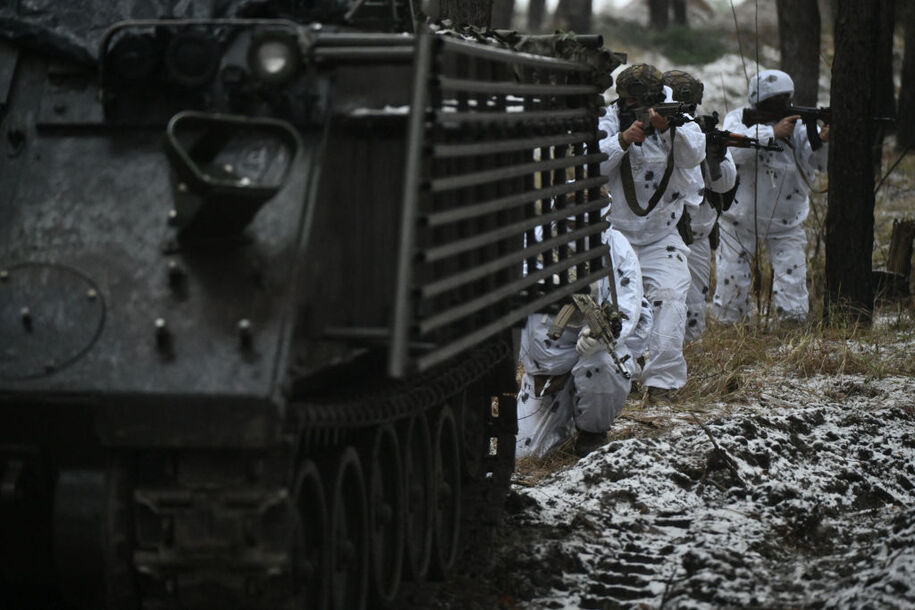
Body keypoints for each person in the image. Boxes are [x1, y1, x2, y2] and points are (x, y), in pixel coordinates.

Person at [598, 64, 706, 403]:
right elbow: (590, 163)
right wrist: (622, 140)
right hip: (617, 234)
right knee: (616, 309)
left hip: (662, 234)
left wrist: (668, 127)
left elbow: (694, 155)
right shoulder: (610, 119)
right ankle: (621, 375)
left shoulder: (678, 119)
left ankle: (662, 384)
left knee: (672, 300)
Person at [515, 225, 651, 459]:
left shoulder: (616, 247)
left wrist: (599, 335)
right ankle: (565, 418)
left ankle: (591, 433)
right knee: (524, 454)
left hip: (588, 357)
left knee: (603, 363)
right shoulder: (533, 240)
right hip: (546, 371)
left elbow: (628, 307)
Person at [712, 69, 829, 324]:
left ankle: (793, 323)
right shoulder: (738, 120)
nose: (781, 105)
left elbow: (818, 164)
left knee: (792, 277)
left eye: (784, 100)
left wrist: (820, 140)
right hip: (740, 217)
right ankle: (730, 325)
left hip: (787, 220)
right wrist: (771, 133)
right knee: (731, 276)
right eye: (774, 102)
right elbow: (733, 151)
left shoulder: (798, 126)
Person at [661, 70, 738, 342]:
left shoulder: (702, 131)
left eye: (690, 107)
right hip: (659, 236)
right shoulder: (651, 133)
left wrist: (713, 158)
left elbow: (725, 184)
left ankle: (690, 357)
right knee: (660, 303)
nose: (686, 113)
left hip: (697, 235)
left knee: (694, 307)